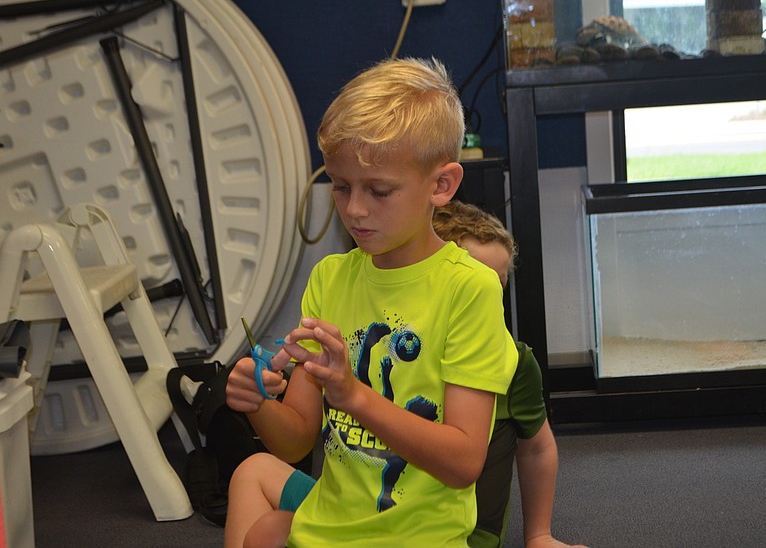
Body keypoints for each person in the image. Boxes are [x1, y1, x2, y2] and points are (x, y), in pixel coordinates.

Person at [223, 57, 518, 548]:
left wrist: (355, 396)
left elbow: (463, 463)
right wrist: (256, 402)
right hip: (329, 528)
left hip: (417, 539)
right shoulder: (329, 278)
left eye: (378, 191)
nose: (354, 208)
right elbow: (297, 437)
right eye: (340, 186)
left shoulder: (469, 289)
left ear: (441, 185)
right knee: (263, 532)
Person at [433, 200, 587, 548]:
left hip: (468, 536)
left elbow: (537, 449)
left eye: (498, 287)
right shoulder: (399, 349)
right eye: (475, 286)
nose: (488, 299)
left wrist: (539, 535)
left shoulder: (515, 362)